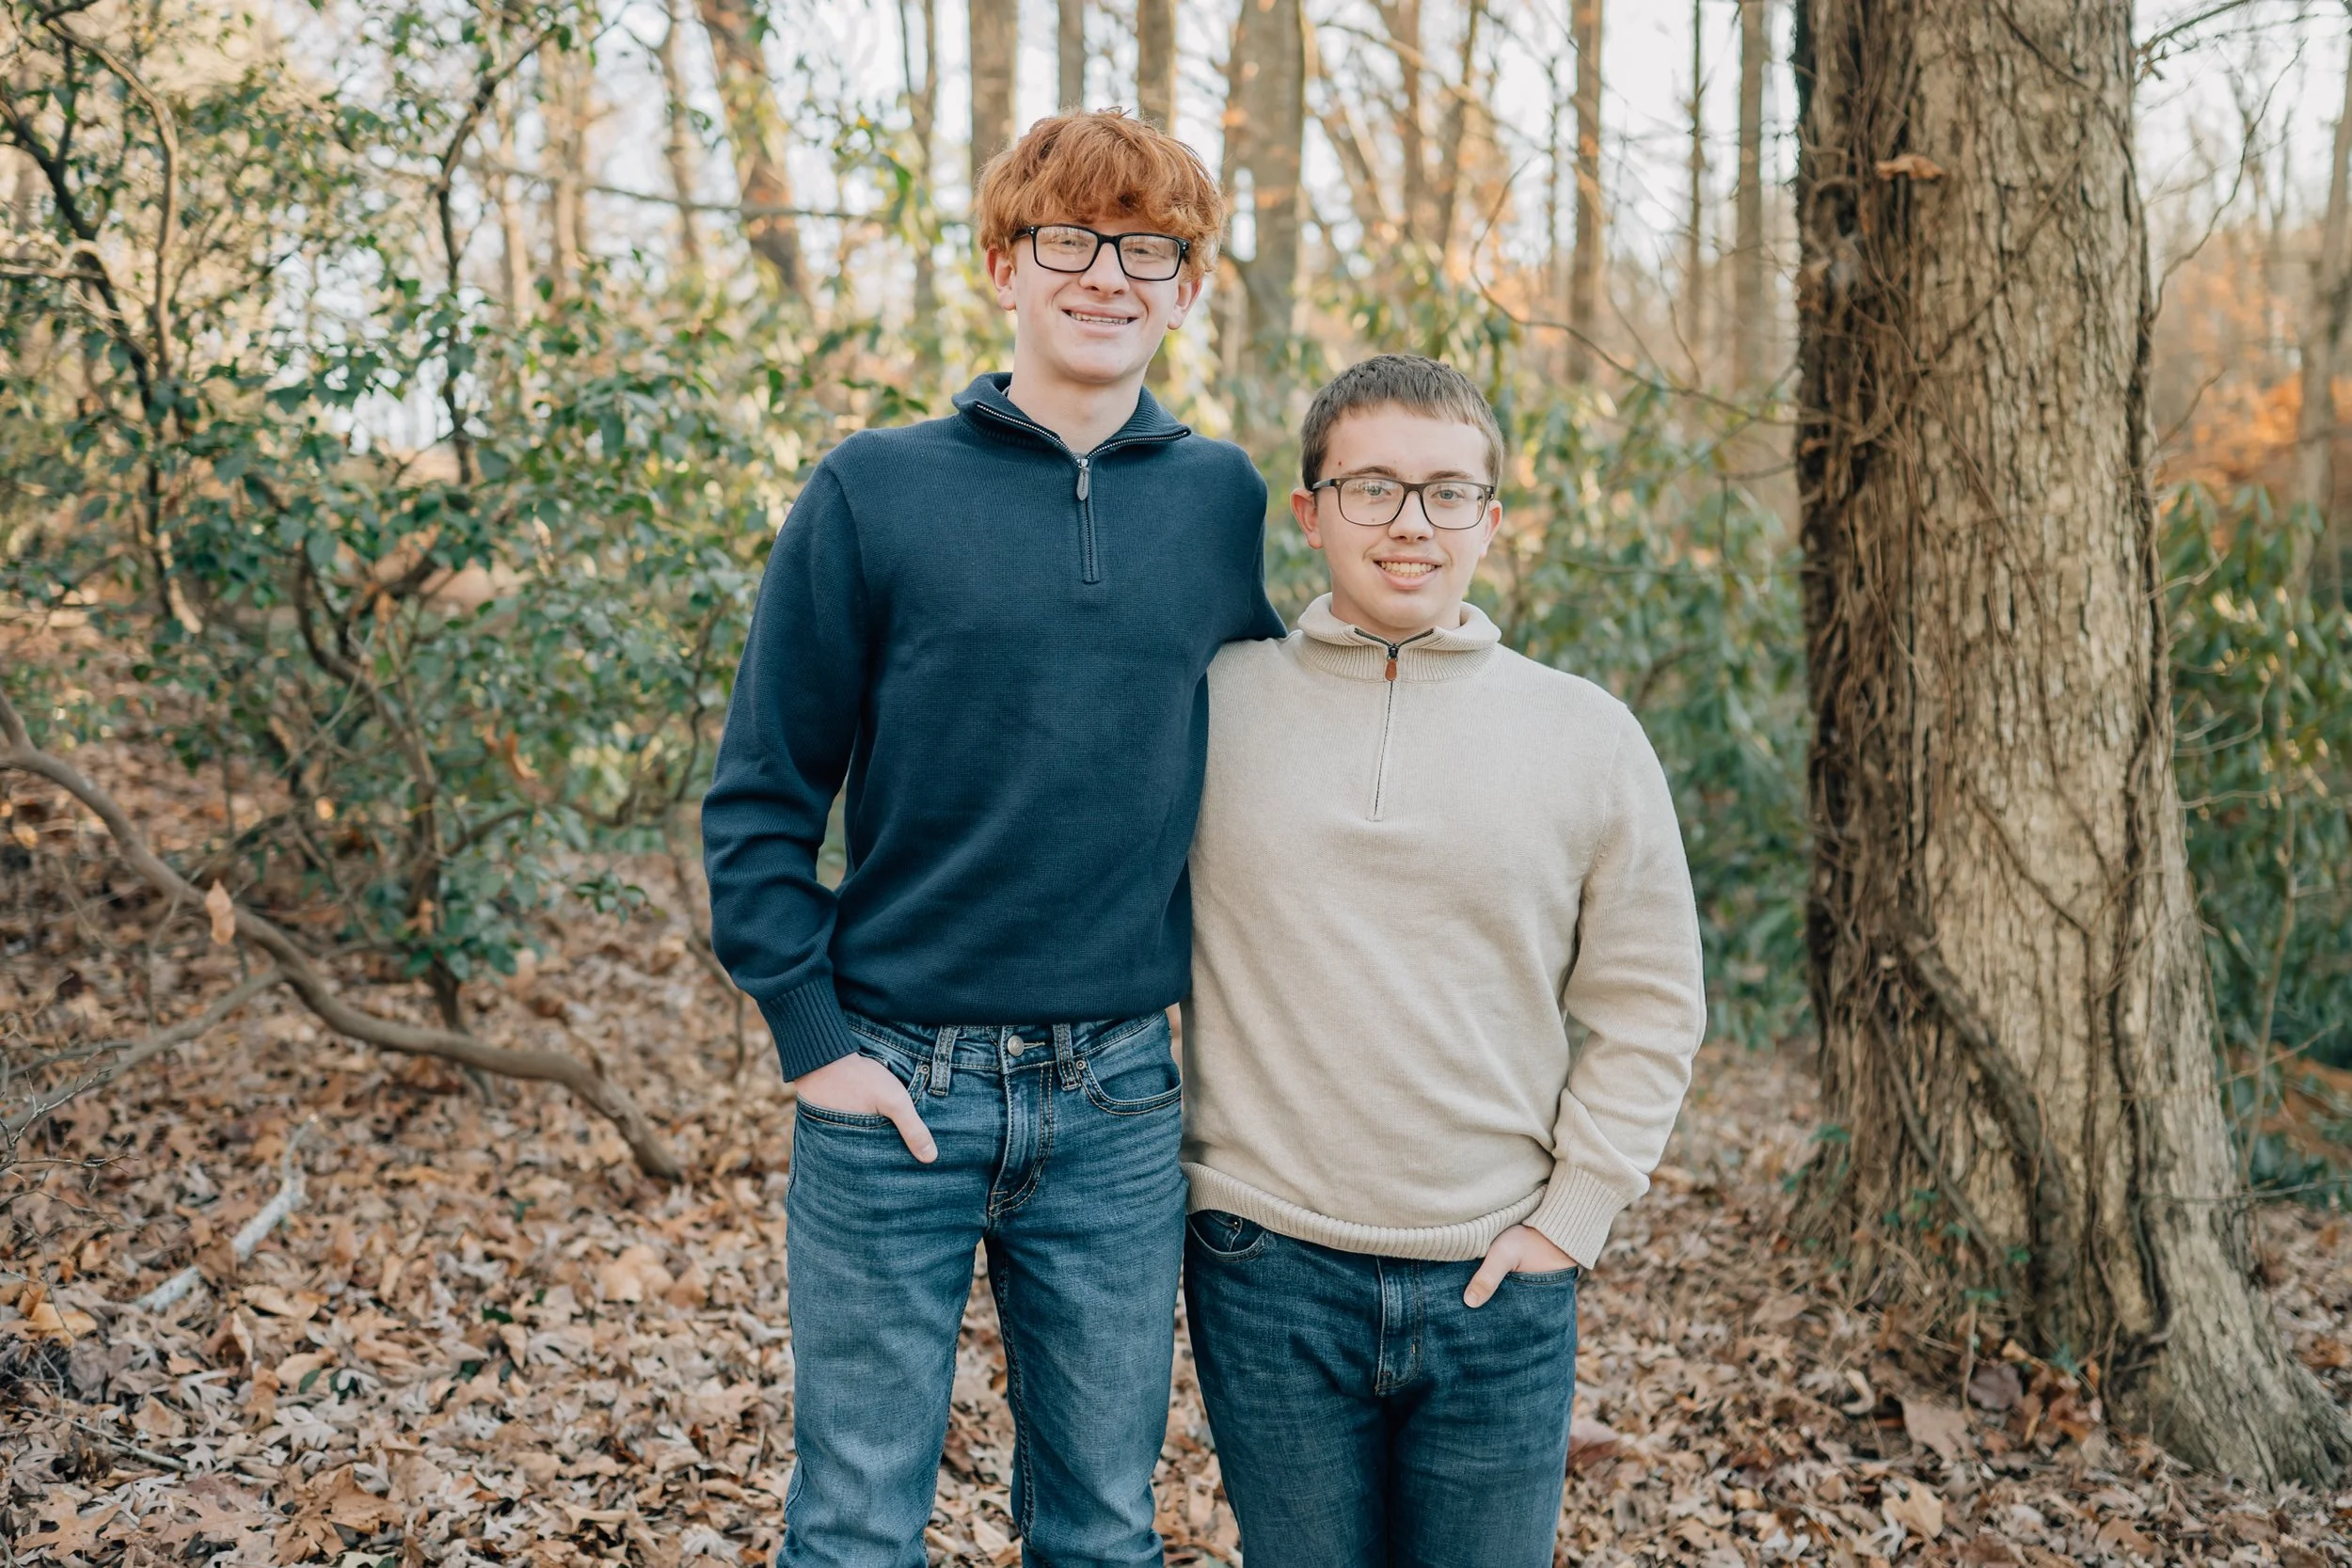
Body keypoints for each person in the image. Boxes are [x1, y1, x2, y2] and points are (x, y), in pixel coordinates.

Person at [701, 110, 1283, 1568]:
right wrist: (813, 1035)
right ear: (1005, 267)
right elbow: (765, 789)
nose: (1110, 275)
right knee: (852, 1524)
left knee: (1099, 1526)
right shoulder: (875, 487)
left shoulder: (1221, 503)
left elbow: (1290, 738)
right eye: (1072, 242)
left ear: (1191, 285)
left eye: (1151, 248)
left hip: (1118, 1096)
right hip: (894, 1073)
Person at [1179, 354, 1708, 1567]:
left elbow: (1650, 1001)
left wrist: (1574, 1217)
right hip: (1265, 1267)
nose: (1411, 522)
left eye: (1447, 492)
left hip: (1498, 1281)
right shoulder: (1213, 704)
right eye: (1371, 487)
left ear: (1493, 520)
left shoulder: (1586, 734)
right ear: (1309, 512)